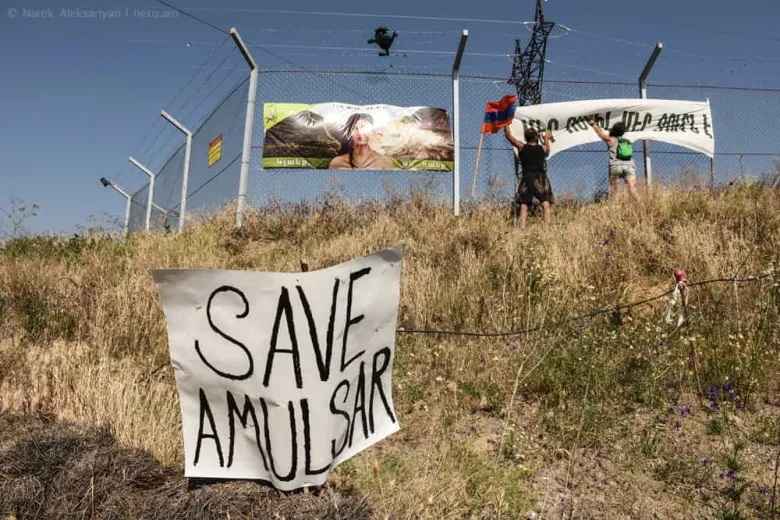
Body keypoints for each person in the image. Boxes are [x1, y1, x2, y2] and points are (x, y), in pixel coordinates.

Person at [504, 126, 553, 228]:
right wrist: (546, 138)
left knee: (524, 204)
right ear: (536, 137)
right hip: (540, 178)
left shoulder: (522, 147)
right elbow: (547, 151)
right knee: (545, 203)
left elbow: (509, 136)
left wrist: (506, 126)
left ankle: (522, 227)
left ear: (526, 138)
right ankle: (547, 227)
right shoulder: (542, 148)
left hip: (527, 178)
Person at [588, 120, 640, 201]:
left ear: (614, 130)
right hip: (629, 166)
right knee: (632, 189)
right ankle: (641, 204)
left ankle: (615, 206)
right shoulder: (627, 141)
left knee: (615, 190)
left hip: (615, 166)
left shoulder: (610, 140)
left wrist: (593, 125)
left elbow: (600, 134)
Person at [329, 113, 394, 170]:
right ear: (349, 132)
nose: (360, 132)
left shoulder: (385, 162)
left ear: (372, 131)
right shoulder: (337, 162)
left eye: (364, 127)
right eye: (355, 128)